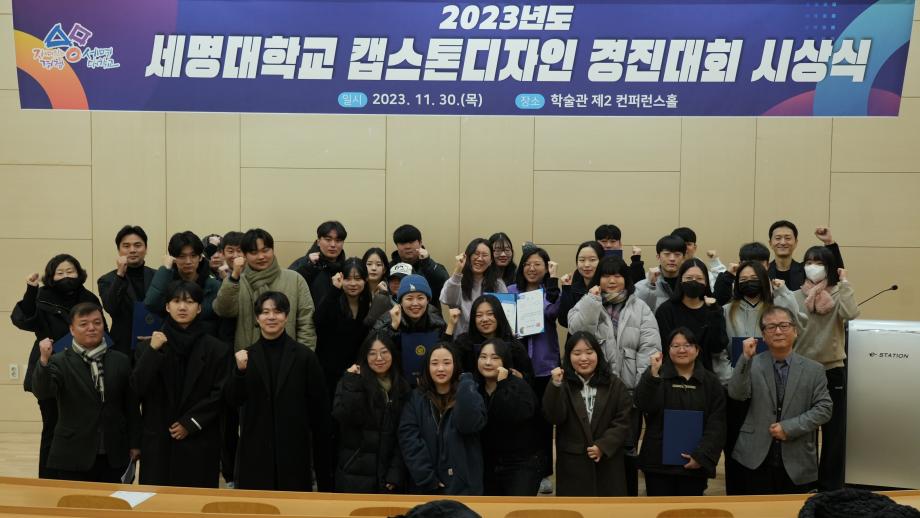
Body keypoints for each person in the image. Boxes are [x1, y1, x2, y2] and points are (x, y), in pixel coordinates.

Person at [566, 255, 660, 495]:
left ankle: (626, 498)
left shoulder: (640, 308)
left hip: (629, 391)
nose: (612, 280)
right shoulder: (588, 302)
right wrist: (592, 301)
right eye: (606, 275)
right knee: (596, 447)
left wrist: (639, 388)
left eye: (617, 275)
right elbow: (577, 332)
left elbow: (649, 349)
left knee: (627, 449)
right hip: (594, 390)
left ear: (626, 279)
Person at [11, 253, 105, 478]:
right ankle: (48, 479)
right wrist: (31, 290)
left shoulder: (89, 297)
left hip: (83, 371)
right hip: (50, 367)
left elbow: (103, 331)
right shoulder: (41, 296)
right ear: (51, 276)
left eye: (70, 271)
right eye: (60, 273)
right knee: (52, 426)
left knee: (80, 427)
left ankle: (76, 476)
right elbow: (23, 320)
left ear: (79, 273)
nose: (66, 276)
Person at [227, 291, 332, 491]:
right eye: (265, 312)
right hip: (255, 453)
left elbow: (320, 411)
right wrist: (239, 373)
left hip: (294, 451)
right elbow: (233, 401)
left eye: (277, 311)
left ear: (286, 316)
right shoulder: (245, 357)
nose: (271, 317)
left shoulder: (304, 357)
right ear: (257, 318)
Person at [131, 281, 231, 488]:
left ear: (199, 308)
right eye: (176, 301)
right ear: (167, 307)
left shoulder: (217, 349)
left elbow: (220, 393)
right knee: (157, 500)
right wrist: (153, 352)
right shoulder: (148, 347)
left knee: (196, 500)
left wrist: (191, 422)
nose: (183, 307)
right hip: (159, 439)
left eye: (189, 302)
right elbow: (136, 388)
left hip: (199, 438)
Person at [31, 303, 141, 482]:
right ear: (72, 330)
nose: (92, 328)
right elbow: (43, 391)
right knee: (75, 500)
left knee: (113, 499)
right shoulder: (59, 361)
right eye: (84, 324)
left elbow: (131, 405)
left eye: (97, 323)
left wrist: (135, 443)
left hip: (115, 451)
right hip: (73, 453)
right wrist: (43, 360)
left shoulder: (120, 360)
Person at [728, 306, 832, 494]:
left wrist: (789, 427)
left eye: (784, 325)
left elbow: (824, 409)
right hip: (754, 456)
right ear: (763, 335)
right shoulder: (752, 363)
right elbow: (736, 394)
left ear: (795, 331)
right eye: (771, 327)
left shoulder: (814, 370)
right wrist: (745, 358)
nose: (777, 331)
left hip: (797, 457)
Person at [719, 260, 799, 495]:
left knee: (766, 447)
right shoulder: (726, 310)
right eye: (743, 279)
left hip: (771, 390)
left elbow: (797, 328)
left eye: (753, 279)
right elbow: (720, 353)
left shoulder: (775, 310)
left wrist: (783, 293)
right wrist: (732, 379)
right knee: (735, 445)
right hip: (736, 389)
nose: (748, 283)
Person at [792, 246, 859, 492]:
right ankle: (805, 481)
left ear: (829, 267)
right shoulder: (794, 296)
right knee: (803, 429)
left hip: (832, 370)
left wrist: (845, 283)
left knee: (834, 432)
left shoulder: (839, 293)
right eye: (809, 262)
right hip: (801, 370)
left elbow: (851, 313)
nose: (813, 266)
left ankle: (831, 487)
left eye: (819, 262)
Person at [635, 328, 726, 496]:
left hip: (695, 464)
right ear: (668, 350)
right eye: (675, 346)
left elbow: (717, 424)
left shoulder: (711, 383)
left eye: (687, 345)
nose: (681, 350)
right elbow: (642, 404)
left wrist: (701, 456)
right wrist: (652, 375)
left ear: (697, 350)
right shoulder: (656, 375)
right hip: (657, 465)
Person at [543, 332, 632, 497]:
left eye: (589, 352)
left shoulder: (614, 384)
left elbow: (624, 420)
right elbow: (554, 417)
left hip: (608, 462)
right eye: (577, 353)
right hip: (573, 464)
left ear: (598, 354)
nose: (583, 358)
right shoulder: (562, 383)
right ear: (568, 357)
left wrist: (603, 446)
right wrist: (555, 386)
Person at [506, 246, 561, 493]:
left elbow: (553, 314)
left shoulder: (551, 292)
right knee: (520, 421)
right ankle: (522, 468)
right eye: (527, 263)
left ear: (546, 268)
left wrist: (552, 287)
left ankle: (545, 472)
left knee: (543, 422)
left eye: (537, 264)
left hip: (544, 366)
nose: (532, 268)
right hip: (517, 366)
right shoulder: (510, 291)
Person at [399, 342, 487, 495]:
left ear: (456, 365)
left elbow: (468, 424)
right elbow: (409, 439)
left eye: (447, 363)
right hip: (427, 486)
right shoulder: (416, 398)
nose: (440, 368)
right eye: (434, 363)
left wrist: (466, 384)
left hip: (464, 488)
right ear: (427, 367)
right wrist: (426, 477)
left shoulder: (469, 392)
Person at [212, 228, 316, 351]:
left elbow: (306, 323)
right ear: (245, 255)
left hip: (288, 355)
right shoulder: (236, 282)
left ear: (273, 250)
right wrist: (234, 277)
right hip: (247, 356)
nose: (261, 257)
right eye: (254, 252)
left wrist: (303, 356)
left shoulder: (295, 279)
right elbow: (224, 311)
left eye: (265, 250)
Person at [332, 333, 411, 493]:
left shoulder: (402, 387)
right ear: (364, 356)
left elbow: (404, 434)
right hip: (355, 472)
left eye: (384, 352)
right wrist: (352, 382)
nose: (379, 358)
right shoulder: (352, 381)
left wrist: (395, 472)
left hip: (388, 474)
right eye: (372, 353)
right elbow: (343, 416)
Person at [474, 338, 544, 496]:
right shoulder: (474, 386)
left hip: (521, 464)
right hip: (489, 464)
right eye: (483, 357)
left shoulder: (518, 385)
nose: (488, 362)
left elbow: (515, 414)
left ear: (505, 361)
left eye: (495, 358)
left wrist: (502, 384)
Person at [654, 258, 727, 373]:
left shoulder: (714, 309)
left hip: (705, 375)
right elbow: (664, 347)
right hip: (672, 374)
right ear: (680, 280)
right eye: (688, 278)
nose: (694, 282)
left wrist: (714, 312)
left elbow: (718, 346)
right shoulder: (666, 310)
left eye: (699, 278)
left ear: (706, 282)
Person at [314, 258, 373, 400]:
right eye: (348, 279)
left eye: (357, 279)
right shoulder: (333, 299)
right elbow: (318, 320)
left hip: (357, 372)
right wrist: (334, 289)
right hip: (330, 372)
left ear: (365, 280)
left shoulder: (368, 303)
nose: (353, 283)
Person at [371, 274, 450, 372]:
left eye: (420, 298)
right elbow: (374, 353)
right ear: (400, 302)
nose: (415, 303)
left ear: (427, 300)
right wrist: (393, 328)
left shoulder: (438, 323)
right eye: (409, 298)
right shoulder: (386, 320)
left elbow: (446, 355)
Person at [97, 225, 156, 355]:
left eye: (137, 245)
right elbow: (111, 307)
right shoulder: (107, 279)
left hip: (154, 342)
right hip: (122, 346)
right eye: (126, 246)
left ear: (146, 249)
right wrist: (120, 275)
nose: (132, 250)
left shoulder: (157, 276)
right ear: (119, 250)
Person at [450, 295, 535, 382]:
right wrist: (450, 326)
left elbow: (529, 377)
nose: (485, 319)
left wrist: (520, 377)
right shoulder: (464, 343)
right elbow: (447, 359)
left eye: (490, 314)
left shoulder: (514, 345)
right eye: (479, 315)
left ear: (499, 315)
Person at [144, 231, 220, 327]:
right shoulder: (166, 280)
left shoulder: (213, 285)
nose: (188, 261)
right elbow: (151, 304)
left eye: (193, 256)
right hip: (172, 334)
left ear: (200, 257)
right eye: (182, 256)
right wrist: (165, 268)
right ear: (173, 258)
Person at [439, 238, 507, 335]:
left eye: (484, 255)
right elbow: (448, 300)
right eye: (476, 254)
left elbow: (505, 312)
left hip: (491, 339)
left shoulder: (498, 284)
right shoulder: (457, 280)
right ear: (468, 256)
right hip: (462, 339)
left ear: (491, 260)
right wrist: (458, 271)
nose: (480, 258)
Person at [391, 224, 450, 315]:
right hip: (397, 319)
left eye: (411, 242)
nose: (407, 246)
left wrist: (427, 262)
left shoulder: (431, 266)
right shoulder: (391, 268)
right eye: (402, 243)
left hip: (430, 320)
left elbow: (447, 288)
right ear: (397, 246)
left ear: (420, 243)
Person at [768, 222, 844, 291]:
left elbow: (836, 275)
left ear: (796, 242)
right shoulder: (764, 272)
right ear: (770, 243)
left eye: (788, 238)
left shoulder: (806, 270)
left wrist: (829, 242)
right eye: (778, 238)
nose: (783, 242)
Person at [291, 220, 347, 305]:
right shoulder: (304, 263)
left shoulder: (346, 267)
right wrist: (309, 266)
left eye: (338, 240)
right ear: (318, 242)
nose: (333, 245)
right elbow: (289, 285)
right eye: (328, 240)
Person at [557, 241, 604, 328]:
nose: (586, 265)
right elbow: (564, 321)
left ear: (601, 261)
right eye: (582, 260)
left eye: (592, 260)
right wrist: (566, 289)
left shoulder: (606, 288)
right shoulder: (573, 288)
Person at [634, 235, 687, 312]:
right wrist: (650, 285)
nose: (672, 259)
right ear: (658, 257)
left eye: (677, 254)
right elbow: (638, 310)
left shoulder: (689, 280)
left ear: (683, 258)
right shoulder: (645, 281)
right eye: (667, 254)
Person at [362, 248, 396, 325]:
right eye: (369, 264)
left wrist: (385, 294)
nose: (373, 268)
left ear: (384, 270)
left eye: (378, 264)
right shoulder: (357, 288)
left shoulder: (391, 289)